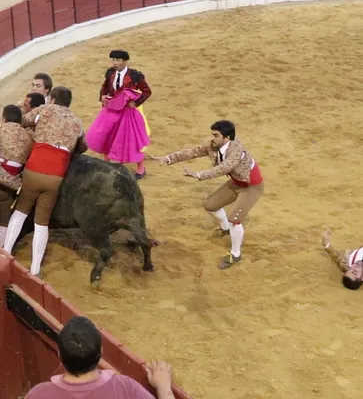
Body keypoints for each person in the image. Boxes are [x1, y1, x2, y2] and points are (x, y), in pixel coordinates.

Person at [149, 120, 264, 269]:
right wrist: (169, 158)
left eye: (216, 135)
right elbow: (192, 152)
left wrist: (198, 174)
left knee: (234, 218)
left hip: (251, 186)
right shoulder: (214, 146)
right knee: (211, 205)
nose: (213, 138)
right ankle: (225, 228)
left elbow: (223, 168)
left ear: (227, 137)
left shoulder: (236, 150)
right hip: (236, 183)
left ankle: (235, 254)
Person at [3, 87, 88, 276]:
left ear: (52, 99)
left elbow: (22, 121)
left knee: (21, 212)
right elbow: (83, 147)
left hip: (35, 168)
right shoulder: (77, 122)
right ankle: (35, 269)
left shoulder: (45, 110)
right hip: (56, 175)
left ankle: (6, 253)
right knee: (42, 223)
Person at [25, 316, 176, 399]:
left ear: (59, 354)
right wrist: (164, 388)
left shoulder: (38, 394)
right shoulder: (125, 388)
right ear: (101, 353)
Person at [89, 50, 152, 180]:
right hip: (112, 109)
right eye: (113, 60)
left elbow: (147, 91)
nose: (115, 63)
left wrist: (136, 102)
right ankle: (108, 162)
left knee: (131, 139)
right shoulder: (110, 73)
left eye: (117, 60)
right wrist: (102, 97)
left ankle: (141, 167)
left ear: (124, 61)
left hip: (128, 111)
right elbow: (105, 88)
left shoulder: (135, 76)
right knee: (108, 134)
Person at [0, 105, 34, 247]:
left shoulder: (1, 130)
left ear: (4, 118)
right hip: (12, 187)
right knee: (4, 221)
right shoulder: (29, 136)